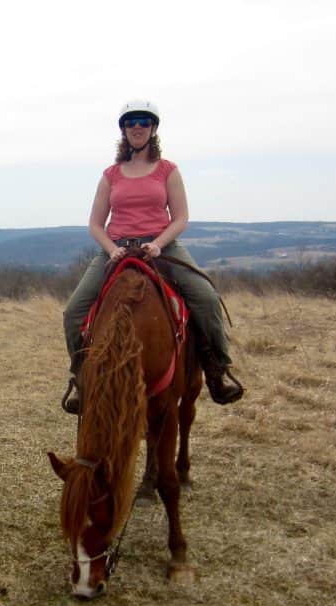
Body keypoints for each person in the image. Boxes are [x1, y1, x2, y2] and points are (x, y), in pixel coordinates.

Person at [62, 98, 243, 412]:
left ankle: (218, 370)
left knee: (206, 297)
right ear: (123, 130)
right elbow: (95, 223)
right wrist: (112, 249)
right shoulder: (111, 175)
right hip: (116, 249)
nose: (137, 127)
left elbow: (181, 217)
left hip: (163, 247)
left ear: (153, 128)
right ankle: (80, 378)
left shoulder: (167, 170)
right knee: (73, 311)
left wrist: (159, 243)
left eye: (144, 122)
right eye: (130, 122)